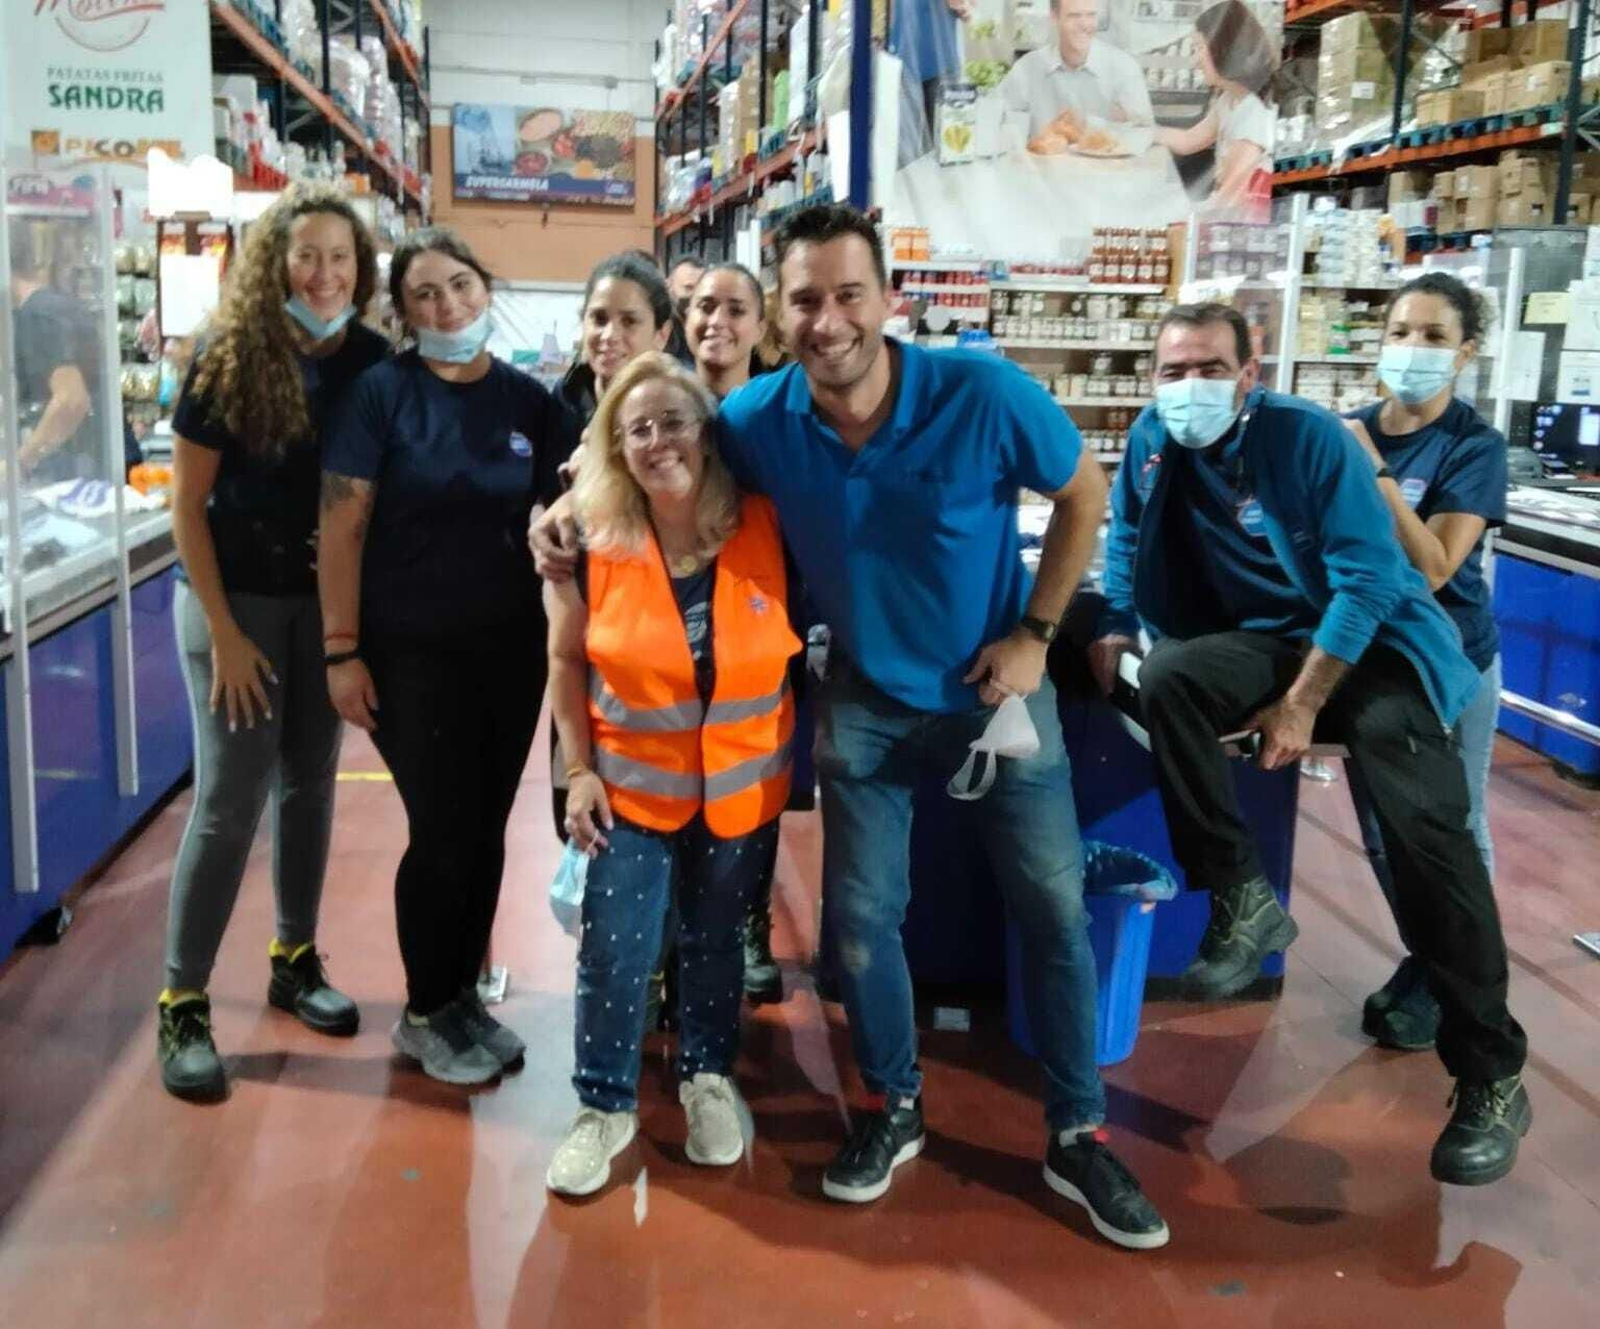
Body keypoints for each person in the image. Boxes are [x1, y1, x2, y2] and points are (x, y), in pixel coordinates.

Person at [537, 204, 1169, 1250]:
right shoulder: (762, 421)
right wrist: (561, 515)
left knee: (1052, 909)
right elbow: (650, 461)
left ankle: (1077, 1134)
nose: (827, 320)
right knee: (862, 926)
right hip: (867, 708)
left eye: (846, 294)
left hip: (994, 697)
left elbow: (1084, 494)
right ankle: (892, 1110)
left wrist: (1038, 635)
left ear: (889, 299)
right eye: (805, 300)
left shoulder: (981, 392)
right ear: (779, 317)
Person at [1088, 302, 1529, 1186]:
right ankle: (1242, 896)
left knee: (1426, 838)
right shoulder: (1150, 439)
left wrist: (1298, 708)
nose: (1188, 387)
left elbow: (1371, 579)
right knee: (1170, 679)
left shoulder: (1308, 439)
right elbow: (1126, 537)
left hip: (1373, 640)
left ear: (1251, 374)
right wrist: (1115, 624)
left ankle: (1491, 1073)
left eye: (1209, 367)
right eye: (1172, 371)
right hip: (1263, 637)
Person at [318, 227, 578, 1086]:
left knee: (485, 830)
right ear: (402, 309)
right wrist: (341, 650)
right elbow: (343, 525)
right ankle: (425, 1009)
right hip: (407, 653)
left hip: (508, 654)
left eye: (460, 286)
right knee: (440, 830)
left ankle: (463, 994)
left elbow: (569, 503)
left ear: (484, 288)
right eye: (424, 295)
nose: (447, 307)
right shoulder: (378, 396)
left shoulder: (528, 403)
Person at [543, 353, 801, 1196]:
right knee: (616, 950)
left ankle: (706, 1077)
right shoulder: (590, 538)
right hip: (630, 791)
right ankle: (604, 1105)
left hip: (741, 791)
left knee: (715, 941)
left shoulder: (769, 519)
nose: (660, 441)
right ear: (615, 448)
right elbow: (563, 659)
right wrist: (575, 770)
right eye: (638, 428)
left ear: (707, 431)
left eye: (674, 421)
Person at [156, 184, 387, 1102]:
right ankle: (183, 999)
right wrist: (224, 633)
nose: (324, 274)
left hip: (320, 607)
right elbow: (185, 506)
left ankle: (293, 956)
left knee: (311, 781)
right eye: (305, 257)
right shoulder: (227, 356)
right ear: (272, 264)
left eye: (340, 258)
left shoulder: (371, 360)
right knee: (230, 797)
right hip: (236, 604)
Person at [1340, 274, 1508, 1053]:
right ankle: (1431, 959)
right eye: (1402, 329)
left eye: (1434, 336)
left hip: (1452, 663)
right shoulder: (1347, 429)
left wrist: (1372, 473)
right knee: (1382, 832)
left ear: (1465, 353)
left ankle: (1459, 978)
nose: (1412, 347)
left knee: (1452, 826)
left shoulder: (1473, 446)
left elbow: (1437, 564)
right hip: (1375, 664)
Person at [684, 262, 788, 1004]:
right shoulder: (663, 400)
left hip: (760, 620)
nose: (716, 319)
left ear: (762, 324)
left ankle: (751, 921)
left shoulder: (781, 413)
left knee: (757, 780)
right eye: (701, 305)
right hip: (676, 625)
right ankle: (676, 931)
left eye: (734, 307)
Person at [552, 255, 678, 845]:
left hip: (659, 666)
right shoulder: (553, 411)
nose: (610, 335)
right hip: (577, 648)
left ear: (661, 334)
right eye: (598, 318)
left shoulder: (684, 419)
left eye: (629, 320)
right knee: (580, 823)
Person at [1152, 1, 1278, 216]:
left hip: (1242, 232)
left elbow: (1229, 198)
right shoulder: (1229, 100)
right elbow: (1189, 140)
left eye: (1200, 48)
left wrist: (1175, 215)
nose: (1195, 60)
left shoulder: (1253, 113)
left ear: (1224, 47)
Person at [9, 222, 96, 483]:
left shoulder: (39, 314)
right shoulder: (51, 306)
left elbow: (71, 401)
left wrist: (20, 463)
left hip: (77, 472)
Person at [999, 0, 1154, 139]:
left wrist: (1116, 128)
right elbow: (999, 123)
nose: (1085, 25)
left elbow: (1145, 134)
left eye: (1091, 15)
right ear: (1054, 16)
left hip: (1107, 169)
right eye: (1074, 16)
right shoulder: (1027, 68)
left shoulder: (1124, 67)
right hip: (1041, 168)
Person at [665, 255, 705, 366]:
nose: (695, 295)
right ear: (669, 287)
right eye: (688, 288)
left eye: (700, 288)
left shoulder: (711, 328)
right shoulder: (662, 330)